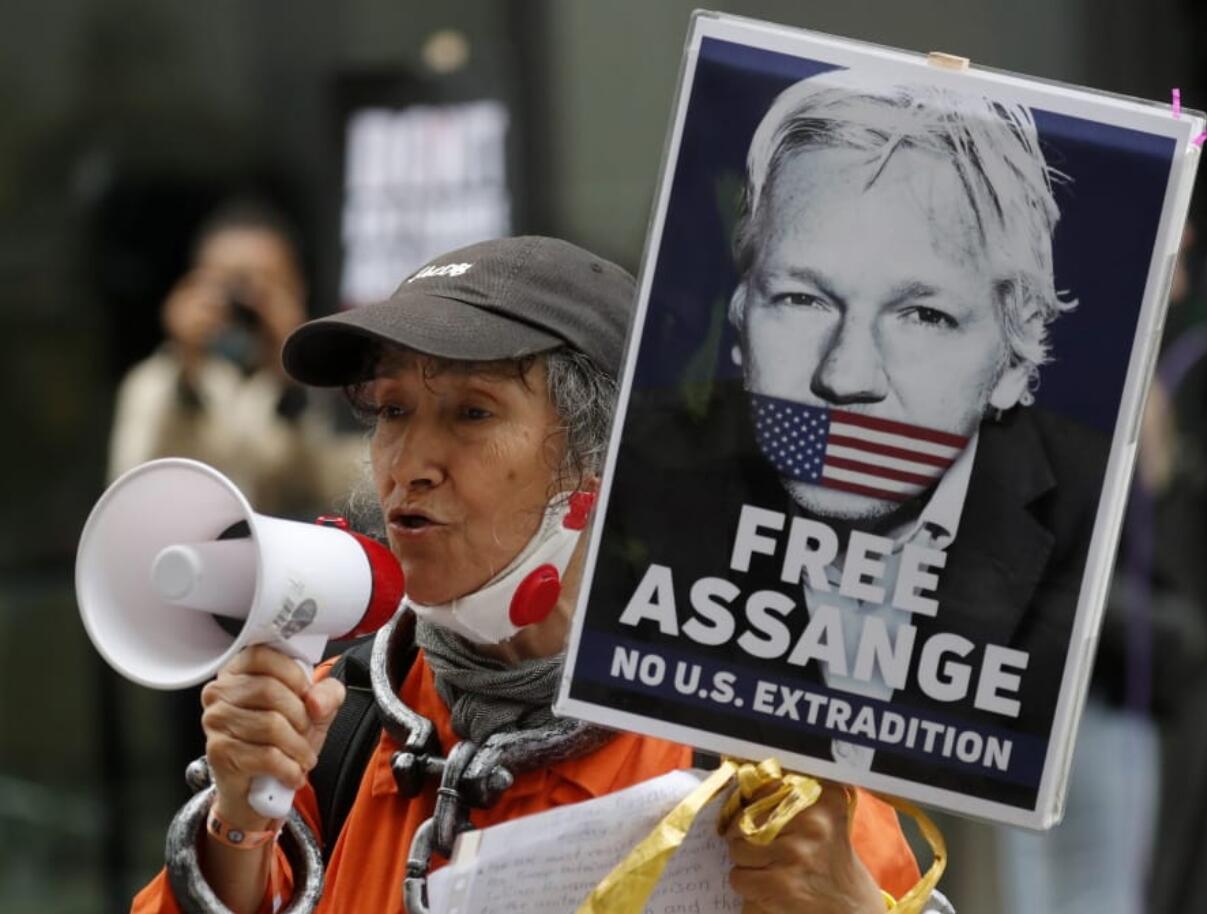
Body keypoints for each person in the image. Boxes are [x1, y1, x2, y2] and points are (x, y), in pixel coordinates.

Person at [131, 236, 934, 914]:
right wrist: (237, 823)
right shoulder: (333, 733)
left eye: (471, 413)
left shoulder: (751, 759)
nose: (407, 465)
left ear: (599, 463)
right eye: (392, 410)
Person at [595, 72, 1107, 811]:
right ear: (741, 320)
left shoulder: (1092, 518)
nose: (846, 374)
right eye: (802, 299)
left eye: (922, 315)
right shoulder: (630, 488)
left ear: (1012, 358)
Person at [108, 198, 365, 518]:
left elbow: (344, 493)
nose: (244, 305)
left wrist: (290, 376)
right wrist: (188, 373)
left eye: (265, 288)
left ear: (298, 289)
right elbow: (132, 489)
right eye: (228, 287)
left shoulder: (337, 383)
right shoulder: (154, 383)